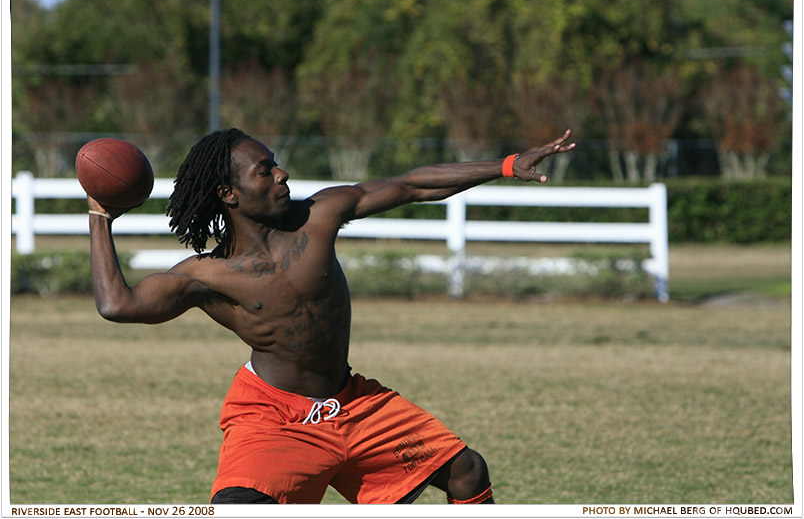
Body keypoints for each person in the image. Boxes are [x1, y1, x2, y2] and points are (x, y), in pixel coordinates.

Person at [87, 128, 576, 505]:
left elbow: (410, 186)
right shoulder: (207, 276)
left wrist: (508, 164)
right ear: (229, 194)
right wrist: (99, 214)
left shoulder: (318, 215)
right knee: (236, 506)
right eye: (264, 170)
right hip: (274, 417)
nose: (280, 174)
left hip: (353, 403)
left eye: (275, 164)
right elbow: (117, 304)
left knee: (468, 470)